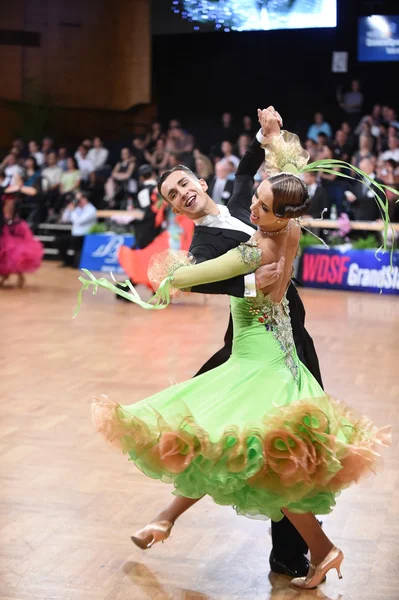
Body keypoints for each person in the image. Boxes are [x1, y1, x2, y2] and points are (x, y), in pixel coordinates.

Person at [81, 147, 390, 589]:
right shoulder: (276, 225)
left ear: (202, 183)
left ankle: (301, 551)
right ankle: (180, 522)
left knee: (255, 444)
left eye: (185, 183)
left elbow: (195, 274)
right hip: (257, 345)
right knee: (230, 440)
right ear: (172, 206)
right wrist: (248, 280)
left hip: (275, 345)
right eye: (173, 194)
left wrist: (168, 275)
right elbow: (245, 240)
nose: (183, 194)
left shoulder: (255, 225)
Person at [0, 178, 43, 287]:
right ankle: (7, 276)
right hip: (6, 224)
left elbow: (33, 192)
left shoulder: (15, 194)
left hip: (14, 225)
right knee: (7, 254)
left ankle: (18, 276)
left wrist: (19, 187)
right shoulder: (6, 193)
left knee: (15, 252)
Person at [57, 191, 96, 268]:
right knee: (59, 241)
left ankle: (76, 262)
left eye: (79, 199)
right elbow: (64, 219)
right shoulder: (77, 208)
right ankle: (68, 260)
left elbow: (79, 221)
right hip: (74, 234)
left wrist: (72, 211)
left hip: (84, 235)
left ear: (85, 199)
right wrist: (68, 209)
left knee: (76, 263)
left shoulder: (91, 209)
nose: (77, 201)